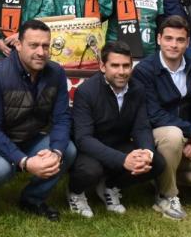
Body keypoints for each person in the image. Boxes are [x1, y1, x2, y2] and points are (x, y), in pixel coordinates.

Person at [0, 19, 76, 226]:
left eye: (46, 46)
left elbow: (62, 118)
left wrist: (56, 152)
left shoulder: (56, 72)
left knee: (68, 150)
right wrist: (24, 161)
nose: (41, 52)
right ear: (18, 45)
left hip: (31, 138)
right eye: (33, 45)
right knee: (1, 170)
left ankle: (32, 199)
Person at [133, 16, 191, 220]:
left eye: (180, 40)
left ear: (188, 42)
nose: (173, 45)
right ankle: (167, 196)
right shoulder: (144, 70)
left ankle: (161, 177)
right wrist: (190, 130)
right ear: (159, 39)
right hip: (161, 135)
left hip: (189, 136)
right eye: (169, 38)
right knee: (173, 135)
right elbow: (153, 113)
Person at [66, 41, 166, 218]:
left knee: (156, 162)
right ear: (102, 66)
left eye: (126, 65)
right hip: (90, 149)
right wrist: (122, 160)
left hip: (119, 144)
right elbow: (83, 139)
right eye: (115, 65)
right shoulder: (85, 92)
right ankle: (75, 192)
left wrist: (146, 153)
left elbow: (141, 127)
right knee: (90, 171)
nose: (122, 71)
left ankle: (110, 186)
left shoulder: (137, 89)